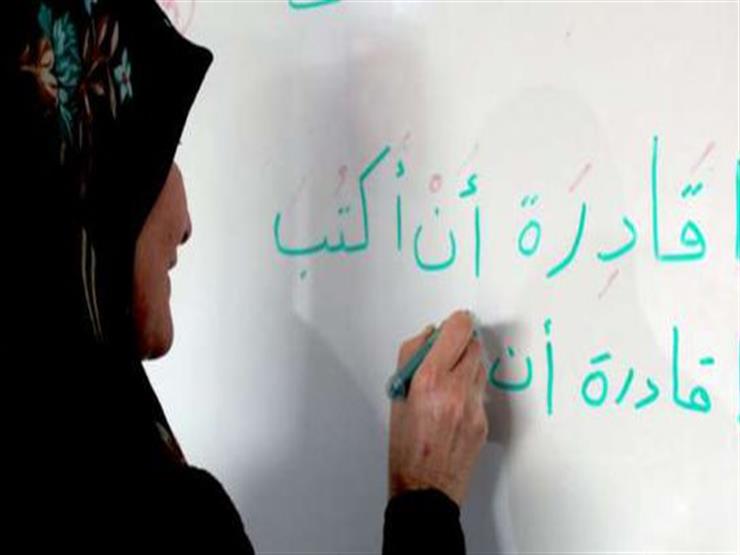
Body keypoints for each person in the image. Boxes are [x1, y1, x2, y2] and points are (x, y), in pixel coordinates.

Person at [4, 1, 488, 552]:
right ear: (87, 186)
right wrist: (424, 502)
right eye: (161, 154)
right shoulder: (154, 515)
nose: (186, 223)